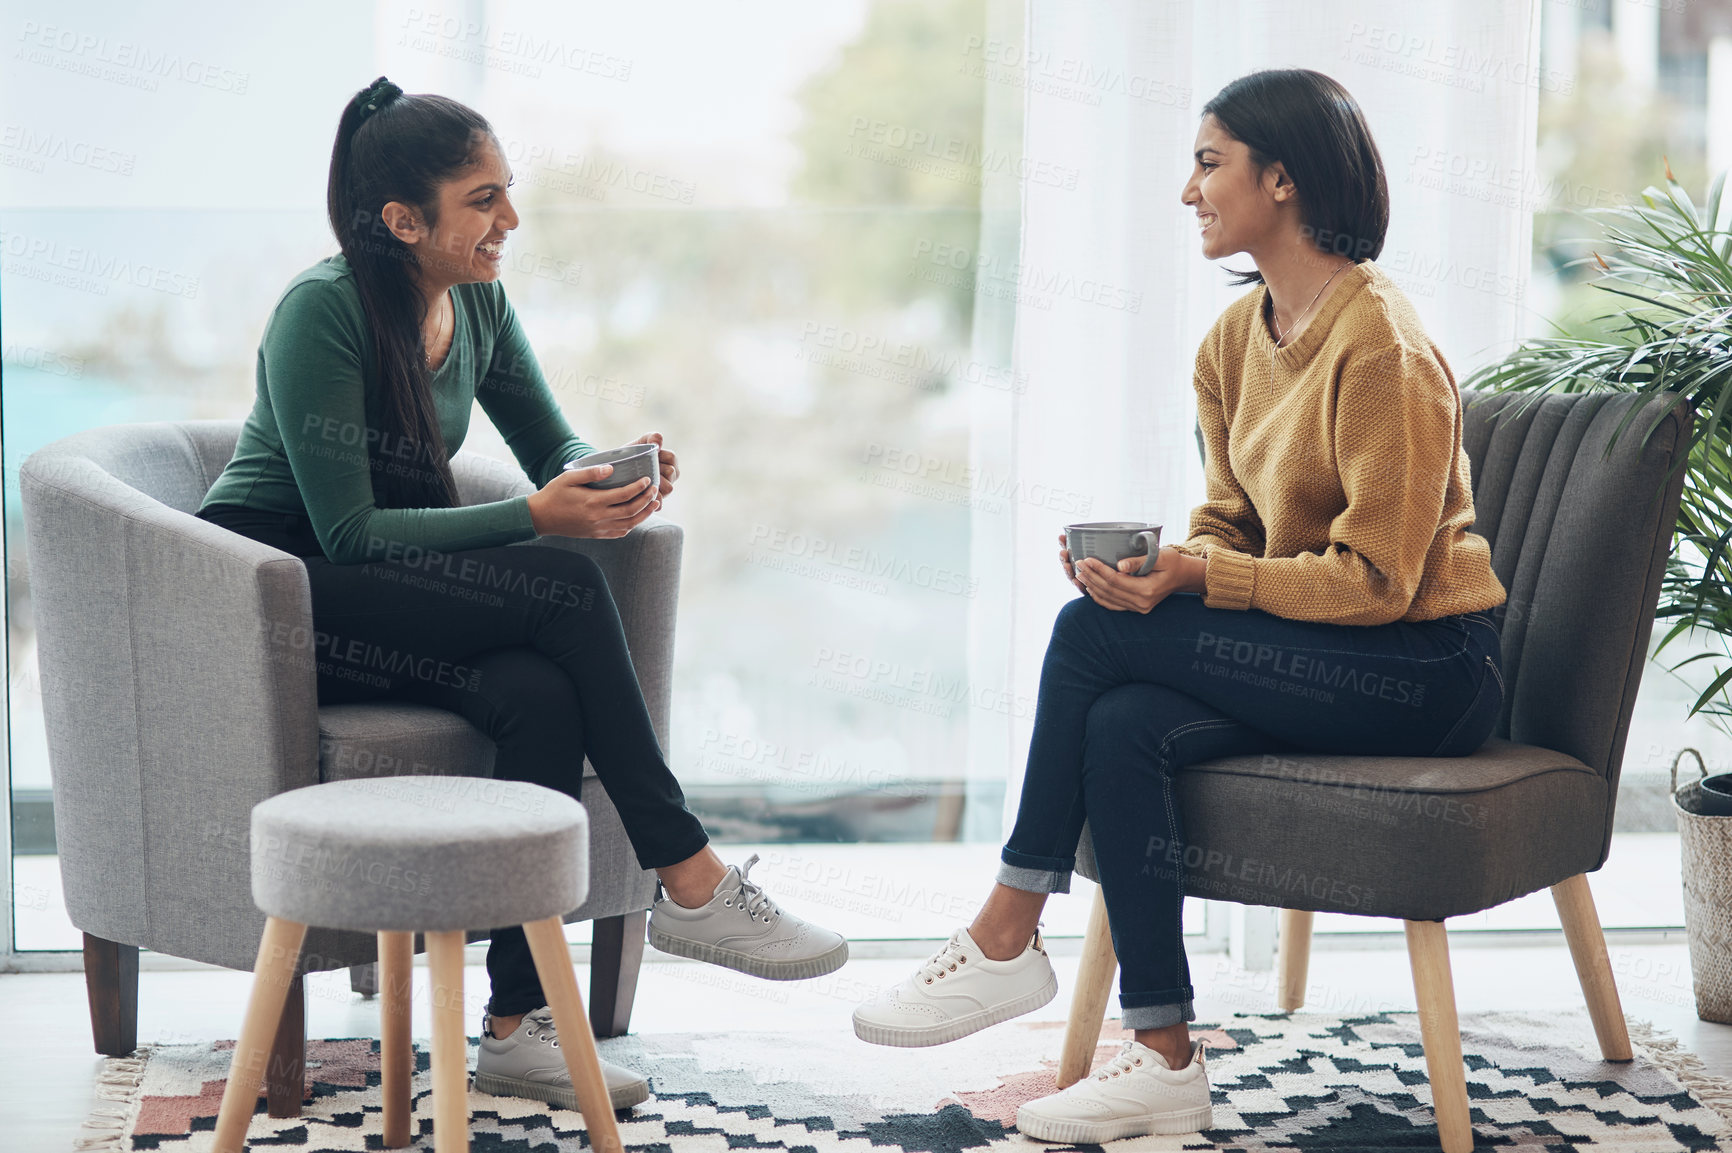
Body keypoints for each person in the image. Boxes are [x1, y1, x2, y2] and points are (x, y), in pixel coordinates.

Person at [852, 68, 1507, 1144]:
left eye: (1209, 164)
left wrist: (1198, 581)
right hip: (1319, 651)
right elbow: (1230, 527)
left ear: (1282, 180)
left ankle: (1010, 922)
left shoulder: (1380, 344)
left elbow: (1381, 583)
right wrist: (1168, 567)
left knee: (1090, 635)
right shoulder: (1230, 341)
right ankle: (1161, 1052)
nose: (1187, 190)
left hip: (1427, 672)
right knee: (1119, 715)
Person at [194, 76, 848, 1115]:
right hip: (274, 596)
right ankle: (685, 870)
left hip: (375, 591)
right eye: (484, 199)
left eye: (508, 190)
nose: (510, 220)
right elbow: (348, 534)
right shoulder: (321, 312)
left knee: (538, 691)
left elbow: (549, 444)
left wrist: (609, 474)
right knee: (559, 583)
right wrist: (540, 518)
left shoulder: (476, 300)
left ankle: (515, 1027)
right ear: (404, 221)